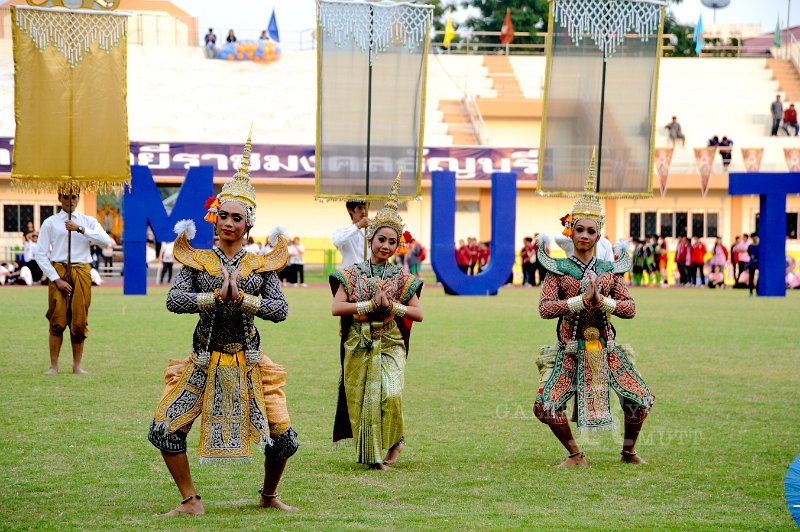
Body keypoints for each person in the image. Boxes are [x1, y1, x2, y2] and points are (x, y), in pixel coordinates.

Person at [147, 135, 299, 516]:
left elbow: (280, 310)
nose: (228, 223)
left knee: (284, 440)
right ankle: (190, 501)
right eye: (223, 216)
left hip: (248, 359)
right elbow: (173, 300)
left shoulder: (261, 265)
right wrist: (213, 298)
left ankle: (268, 495)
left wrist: (244, 299)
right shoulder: (197, 259)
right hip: (203, 360)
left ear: (248, 225)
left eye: (237, 218)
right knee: (164, 430)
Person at [533, 158, 653, 468]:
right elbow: (545, 309)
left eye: (590, 230)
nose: (584, 235)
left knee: (640, 400)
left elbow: (630, 309)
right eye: (579, 229)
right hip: (570, 351)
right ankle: (576, 455)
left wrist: (604, 303)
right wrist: (579, 302)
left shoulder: (610, 271)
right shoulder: (558, 270)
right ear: (570, 232)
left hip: (606, 349)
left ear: (598, 235)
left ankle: (628, 451)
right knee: (544, 406)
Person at [329, 176, 424, 471]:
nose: (386, 245)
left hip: (390, 341)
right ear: (370, 240)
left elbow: (418, 314)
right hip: (359, 341)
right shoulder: (351, 273)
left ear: (398, 246)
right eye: (381, 239)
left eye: (392, 242)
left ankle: (395, 441)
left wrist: (392, 306)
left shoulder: (401, 277)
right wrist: (368, 305)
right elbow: (336, 308)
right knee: (363, 398)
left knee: (391, 392)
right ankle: (372, 455)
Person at [35, 188, 115, 375]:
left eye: (74, 197)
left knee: (79, 320)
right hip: (59, 270)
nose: (70, 200)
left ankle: (77, 365)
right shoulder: (51, 223)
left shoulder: (88, 221)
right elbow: (40, 254)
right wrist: (55, 278)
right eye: (66, 197)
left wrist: (80, 229)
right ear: (59, 198)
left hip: (81, 270)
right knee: (57, 319)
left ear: (78, 198)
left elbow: (106, 241)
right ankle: (54, 366)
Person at [332, 200, 370, 269]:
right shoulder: (343, 232)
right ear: (350, 210)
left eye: (365, 208)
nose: (364, 211)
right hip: (348, 276)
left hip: (368, 276)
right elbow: (336, 241)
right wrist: (358, 225)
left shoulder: (372, 233)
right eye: (360, 208)